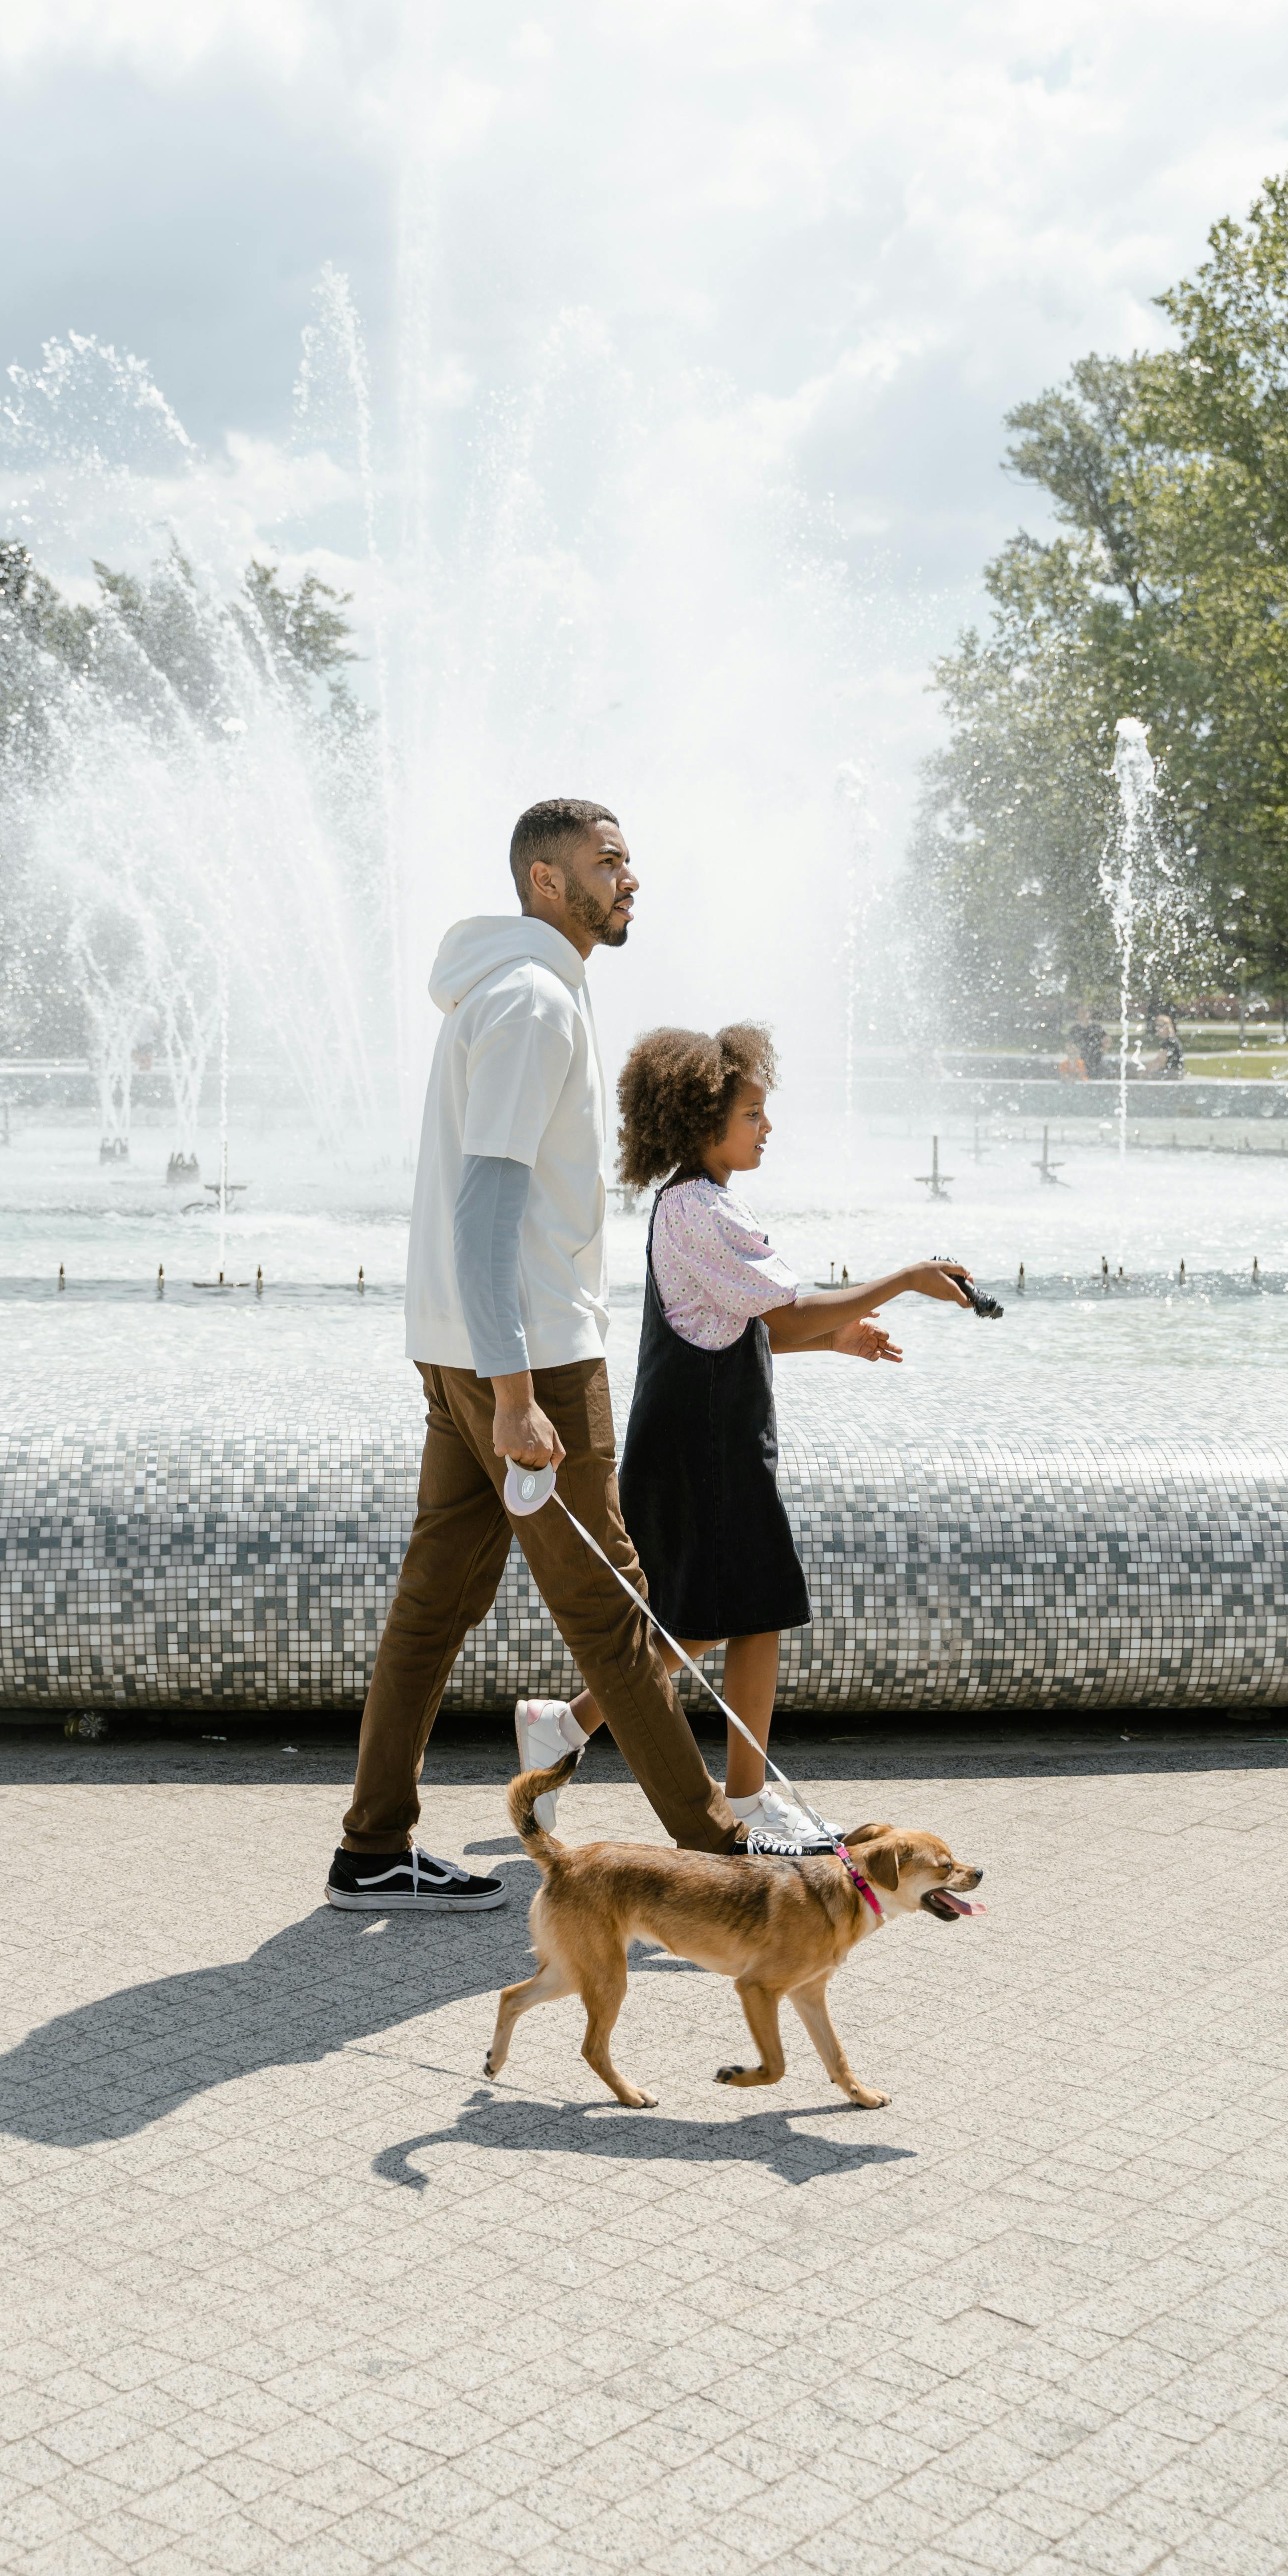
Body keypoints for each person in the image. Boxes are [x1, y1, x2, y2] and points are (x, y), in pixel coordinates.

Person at [327, 801, 799, 1914]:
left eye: (630, 857)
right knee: (612, 1614)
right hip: (526, 1363)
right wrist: (516, 1397)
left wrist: (486, 1379)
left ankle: (371, 1847)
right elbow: (486, 1208)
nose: (629, 877)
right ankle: (722, 1868)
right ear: (545, 882)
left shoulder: (517, 991)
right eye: (606, 862)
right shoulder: (533, 1002)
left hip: (467, 1352)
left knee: (431, 1607)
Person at [512, 1023, 988, 1845]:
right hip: (707, 1451)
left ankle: (570, 1727)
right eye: (753, 1113)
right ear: (703, 1121)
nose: (767, 1128)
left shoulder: (703, 1203)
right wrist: (907, 1279)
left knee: (717, 1616)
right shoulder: (698, 1208)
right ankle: (742, 1801)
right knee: (751, 1609)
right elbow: (784, 1310)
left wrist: (836, 1338)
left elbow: (751, 1323)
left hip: (705, 1443)